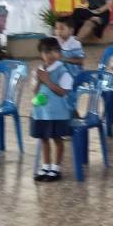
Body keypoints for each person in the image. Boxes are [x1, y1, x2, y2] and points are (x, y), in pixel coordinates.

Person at [30, 37, 73, 183]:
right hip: (41, 113)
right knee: (43, 139)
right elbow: (34, 91)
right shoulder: (38, 70)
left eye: (54, 51)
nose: (50, 55)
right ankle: (45, 166)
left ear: (59, 53)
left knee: (57, 139)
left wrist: (47, 81)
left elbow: (62, 92)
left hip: (57, 113)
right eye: (46, 52)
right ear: (41, 54)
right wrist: (39, 81)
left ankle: (56, 168)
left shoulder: (63, 71)